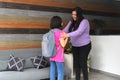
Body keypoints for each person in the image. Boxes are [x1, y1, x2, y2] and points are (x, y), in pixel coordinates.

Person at [62, 7, 91, 80]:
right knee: (77, 64)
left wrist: (67, 35)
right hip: (75, 46)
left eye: (75, 14)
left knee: (83, 63)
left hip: (85, 45)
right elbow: (65, 30)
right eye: (72, 14)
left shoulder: (84, 21)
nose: (74, 16)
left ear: (79, 14)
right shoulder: (71, 22)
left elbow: (79, 32)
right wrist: (57, 32)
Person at [50, 16, 68, 80]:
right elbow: (63, 45)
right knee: (60, 72)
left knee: (52, 72)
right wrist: (67, 38)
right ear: (59, 23)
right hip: (59, 57)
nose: (62, 23)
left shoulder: (51, 32)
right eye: (61, 22)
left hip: (52, 55)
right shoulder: (60, 32)